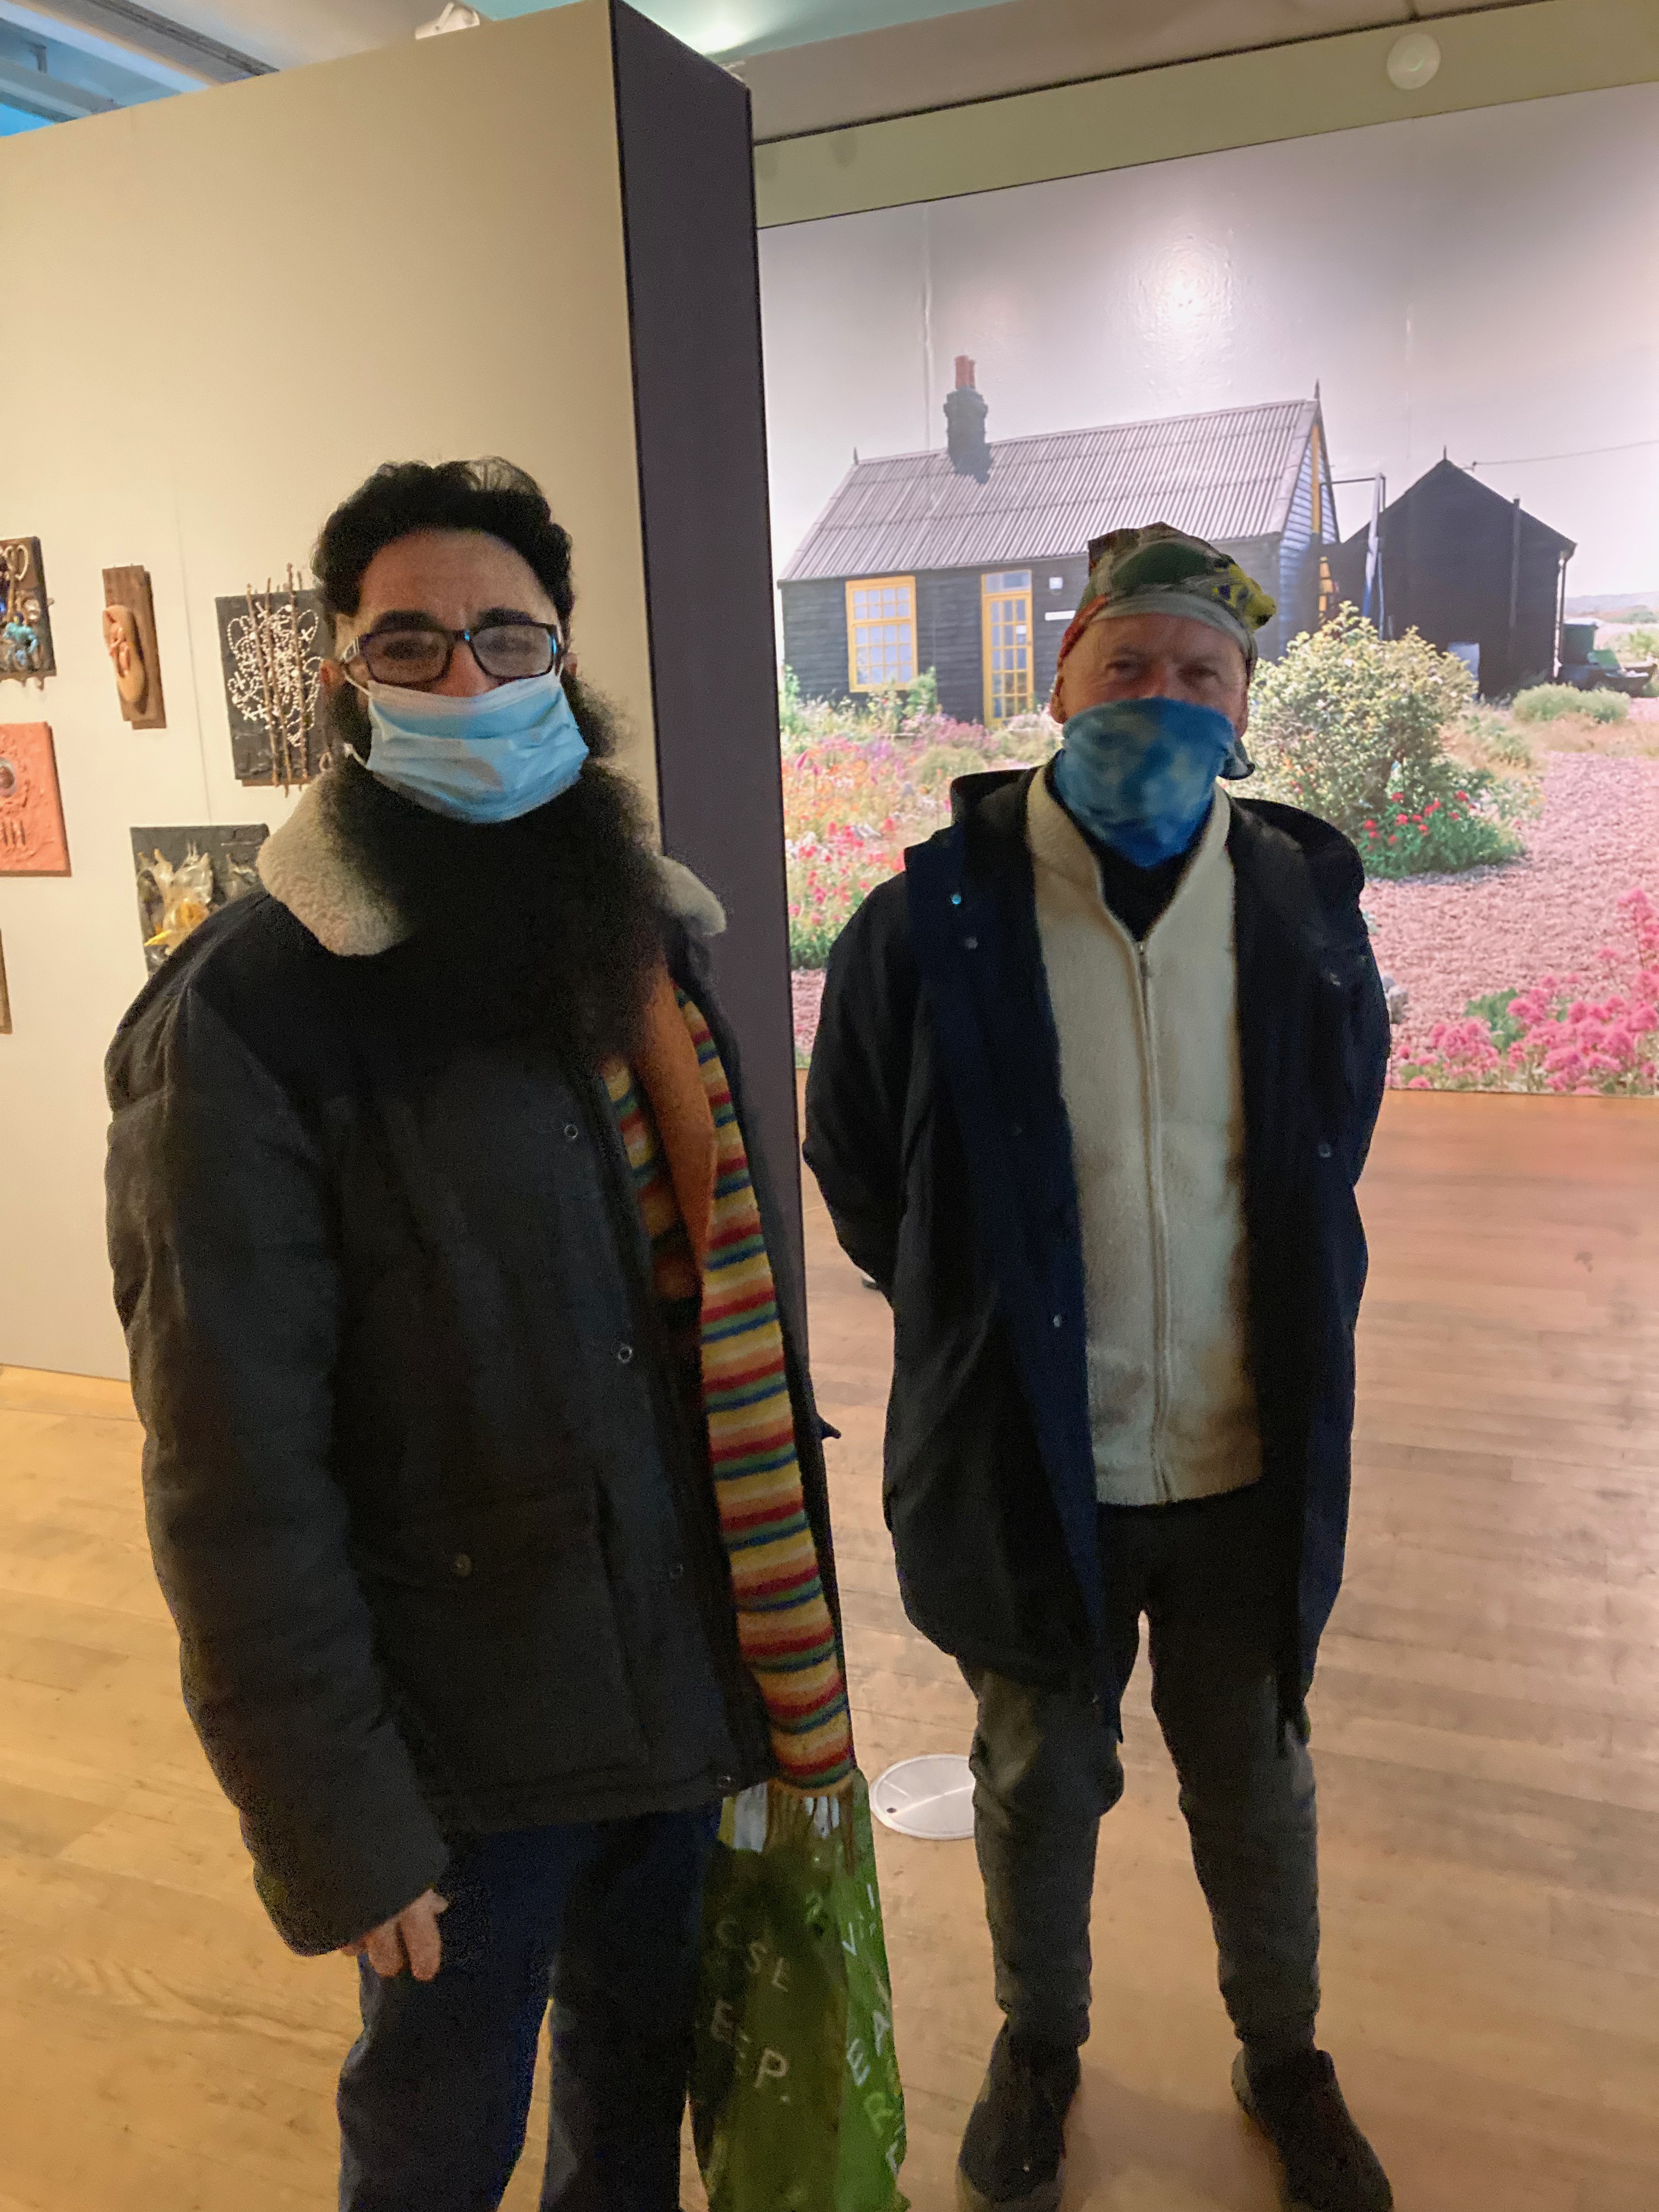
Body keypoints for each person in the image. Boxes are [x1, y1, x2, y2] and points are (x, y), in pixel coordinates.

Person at [106, 458, 852, 2212]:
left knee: (631, 2104)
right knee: (438, 2143)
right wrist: (337, 1822)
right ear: (345, 681)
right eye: (411, 645)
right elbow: (231, 1474)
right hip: (460, 1742)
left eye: (506, 638)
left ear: (563, 661)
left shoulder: (633, 935)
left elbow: (700, 1334)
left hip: (676, 1687)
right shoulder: (253, 1012)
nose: (467, 679)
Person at [805, 524, 1393, 2212]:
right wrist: (969, 1314)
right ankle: (1037, 2042)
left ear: (1244, 708)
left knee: (1255, 1778)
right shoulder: (931, 920)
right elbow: (857, 1154)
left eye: (1202, 674)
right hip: (1028, 1458)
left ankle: (1284, 2054)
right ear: (1059, 683)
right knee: (1035, 1780)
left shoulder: (1296, 907)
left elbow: (1331, 1138)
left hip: (1240, 1457)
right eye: (1126, 664)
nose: (1161, 698)